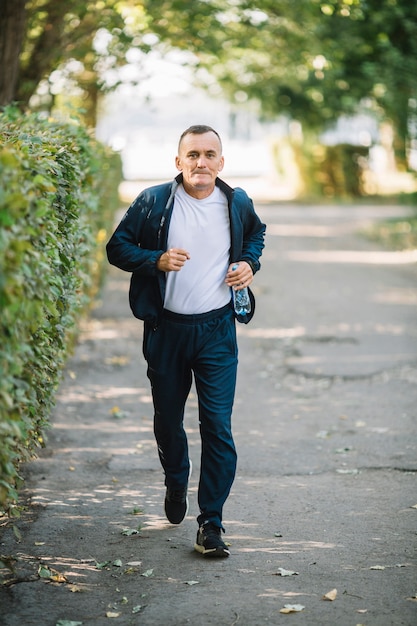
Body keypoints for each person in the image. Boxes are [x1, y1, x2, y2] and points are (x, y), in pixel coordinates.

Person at [106, 125, 266, 558]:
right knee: (169, 420)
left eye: (210, 154)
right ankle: (176, 477)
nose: (201, 162)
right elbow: (116, 248)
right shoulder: (155, 201)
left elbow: (256, 235)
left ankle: (211, 523)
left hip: (217, 330)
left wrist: (249, 263)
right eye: (192, 154)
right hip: (167, 331)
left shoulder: (236, 202)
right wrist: (154, 259)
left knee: (217, 427)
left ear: (221, 162)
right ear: (179, 162)